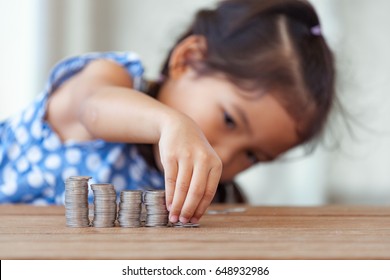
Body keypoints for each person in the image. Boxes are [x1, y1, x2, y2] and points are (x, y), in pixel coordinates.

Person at [0, 0, 335, 224]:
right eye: (229, 120)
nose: (225, 156)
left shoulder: (193, 194)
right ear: (187, 59)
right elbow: (94, 107)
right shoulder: (113, 78)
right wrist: (169, 123)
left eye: (252, 155)